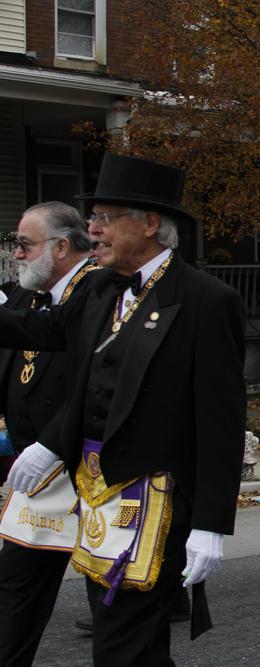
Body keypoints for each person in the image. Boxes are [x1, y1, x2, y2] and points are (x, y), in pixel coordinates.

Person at [0, 153, 247, 665]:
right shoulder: (103, 289)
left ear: (151, 223)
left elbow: (222, 419)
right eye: (92, 219)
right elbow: (53, 344)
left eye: (105, 218)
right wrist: (53, 446)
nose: (93, 231)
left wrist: (211, 523)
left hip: (157, 504)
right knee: (136, 647)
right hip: (97, 498)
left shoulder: (205, 299)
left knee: (119, 647)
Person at [0, 202, 97, 666]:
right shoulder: (26, 294)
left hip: (92, 475)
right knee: (15, 591)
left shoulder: (99, 293)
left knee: (113, 608)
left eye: (24, 243)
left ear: (61, 246)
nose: (16, 253)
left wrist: (52, 443)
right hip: (36, 479)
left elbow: (97, 385)